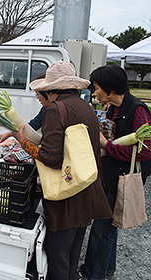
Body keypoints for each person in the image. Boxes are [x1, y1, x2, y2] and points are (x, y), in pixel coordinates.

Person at [0, 60, 112, 280]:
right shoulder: (85, 107)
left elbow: (51, 157)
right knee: (72, 252)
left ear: (51, 89)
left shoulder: (55, 110)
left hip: (66, 193)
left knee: (57, 253)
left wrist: (23, 141)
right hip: (85, 187)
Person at [78, 64, 151, 280]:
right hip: (109, 177)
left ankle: (92, 274)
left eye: (98, 87)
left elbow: (146, 152)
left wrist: (106, 146)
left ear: (111, 88)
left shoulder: (137, 110)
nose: (95, 92)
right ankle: (107, 269)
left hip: (120, 180)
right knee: (110, 226)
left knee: (102, 229)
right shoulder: (113, 108)